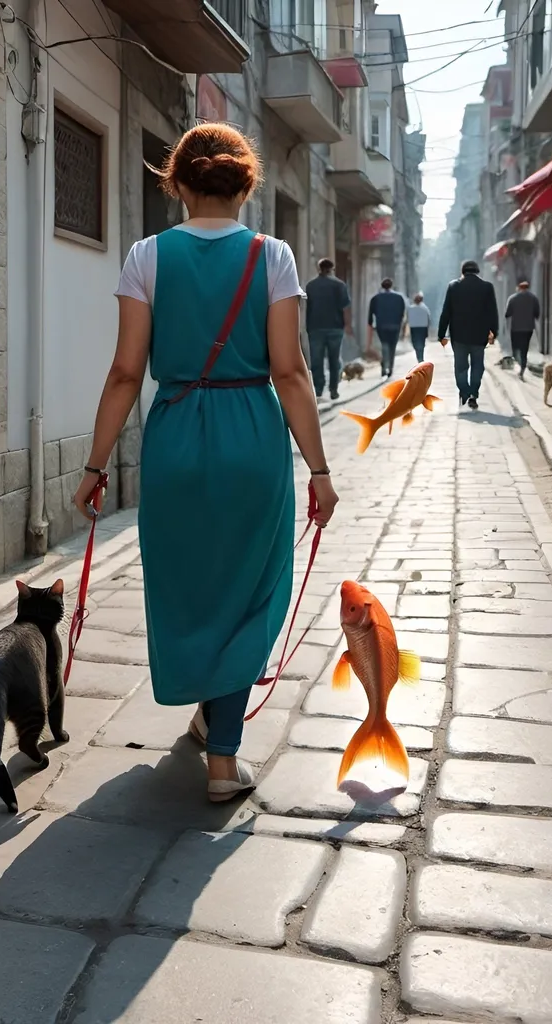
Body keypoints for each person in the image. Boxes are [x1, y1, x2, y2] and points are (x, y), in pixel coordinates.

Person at [72, 124, 338, 802]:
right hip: (253, 436)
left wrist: (95, 466)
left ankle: (205, 714)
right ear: (245, 185)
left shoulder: (147, 256)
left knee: (188, 584)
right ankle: (223, 758)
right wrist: (319, 469)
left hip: (175, 440)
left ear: (179, 185)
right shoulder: (272, 256)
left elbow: (126, 374)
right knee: (251, 587)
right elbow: (291, 371)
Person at [438, 259, 500, 410]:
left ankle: (464, 391)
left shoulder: (453, 287)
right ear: (477, 271)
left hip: (458, 336)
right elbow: (493, 312)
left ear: (462, 271)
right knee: (477, 365)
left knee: (460, 366)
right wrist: (494, 332)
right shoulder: (487, 287)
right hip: (479, 335)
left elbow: (446, 312)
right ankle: (473, 393)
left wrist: (441, 334)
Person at [305, 258, 352, 401]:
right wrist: (348, 325)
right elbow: (345, 308)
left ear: (319, 269)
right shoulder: (339, 285)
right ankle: (333, 389)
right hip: (335, 328)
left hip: (315, 327)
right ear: (332, 269)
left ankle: (318, 389)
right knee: (334, 360)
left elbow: (309, 308)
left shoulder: (310, 286)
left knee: (316, 360)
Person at [367, 278, 407, 378]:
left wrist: (371, 324)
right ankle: (391, 368)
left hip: (381, 325)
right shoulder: (399, 297)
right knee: (392, 347)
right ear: (391, 285)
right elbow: (402, 314)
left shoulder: (375, 298)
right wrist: (401, 325)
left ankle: (384, 366)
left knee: (384, 345)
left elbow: (370, 313)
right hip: (395, 325)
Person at [504, 279, 540, 380]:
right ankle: (523, 367)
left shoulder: (513, 298)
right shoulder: (533, 298)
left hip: (516, 328)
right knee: (525, 348)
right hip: (528, 328)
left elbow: (508, 313)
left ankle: (519, 364)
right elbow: (537, 314)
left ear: (518, 288)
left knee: (516, 348)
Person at [406, 292, 432, 363]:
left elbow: (407, 319)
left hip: (414, 328)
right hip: (422, 328)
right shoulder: (425, 308)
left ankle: (419, 357)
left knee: (415, 343)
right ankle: (420, 357)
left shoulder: (411, 308)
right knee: (421, 343)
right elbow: (429, 319)